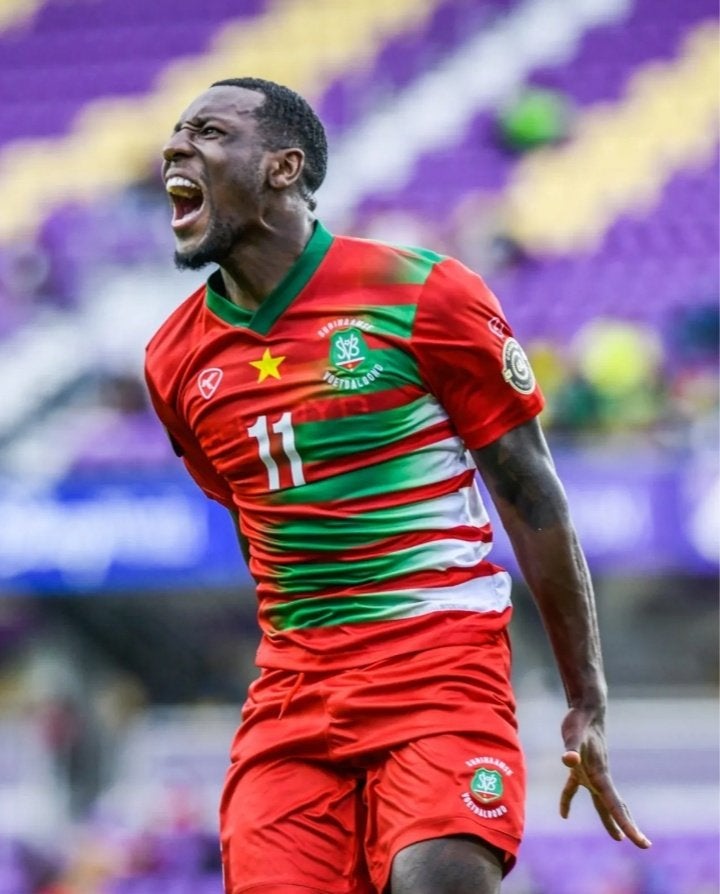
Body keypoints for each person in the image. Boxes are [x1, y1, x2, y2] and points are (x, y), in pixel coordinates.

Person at [145, 77, 651, 894]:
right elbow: (255, 523)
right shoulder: (173, 361)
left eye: (208, 132)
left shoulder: (422, 293)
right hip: (294, 699)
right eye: (175, 132)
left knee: (434, 880)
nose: (175, 146)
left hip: (439, 672)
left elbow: (532, 494)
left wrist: (585, 695)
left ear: (283, 167)